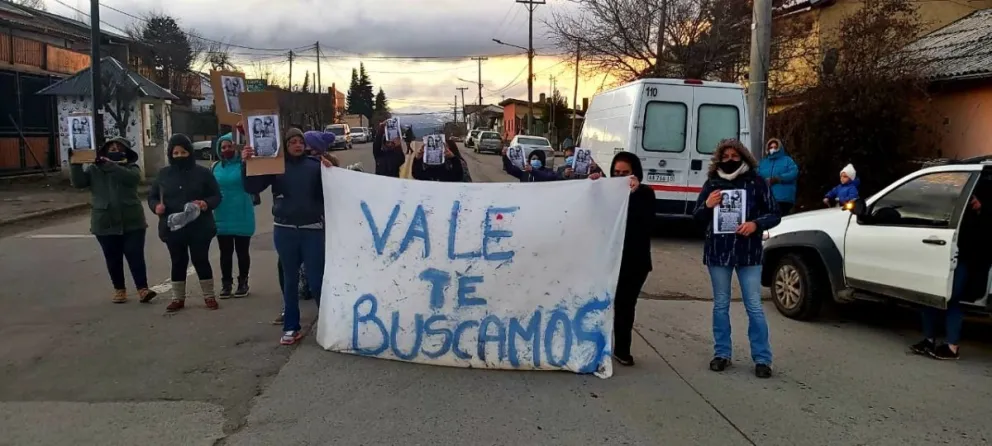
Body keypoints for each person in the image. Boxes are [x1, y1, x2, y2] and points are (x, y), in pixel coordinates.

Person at [693, 139, 781, 379]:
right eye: (725, 156)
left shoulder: (757, 182)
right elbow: (696, 218)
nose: (730, 159)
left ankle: (763, 358)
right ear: (719, 159)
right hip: (718, 252)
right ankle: (722, 353)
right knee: (721, 305)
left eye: (735, 155)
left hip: (748, 253)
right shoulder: (712, 183)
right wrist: (707, 205)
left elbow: (774, 214)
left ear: (743, 156)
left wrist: (755, 224)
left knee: (754, 306)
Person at [243, 128, 335, 345]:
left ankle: (330, 324)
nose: (297, 145)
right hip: (284, 230)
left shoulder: (315, 166)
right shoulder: (276, 167)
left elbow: (333, 191)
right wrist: (246, 163)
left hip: (312, 230)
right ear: (285, 145)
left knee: (317, 280)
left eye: (300, 141)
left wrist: (332, 170)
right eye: (292, 142)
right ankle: (291, 327)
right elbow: (251, 186)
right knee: (290, 280)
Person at [69, 137, 155, 304]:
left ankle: (143, 289)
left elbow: (133, 179)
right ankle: (119, 290)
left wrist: (112, 166)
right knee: (112, 257)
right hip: (104, 221)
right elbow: (79, 183)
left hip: (132, 221)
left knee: (135, 255)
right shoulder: (94, 169)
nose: (115, 151)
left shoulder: (132, 168)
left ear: (127, 153)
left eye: (119, 149)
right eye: (111, 149)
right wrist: (75, 163)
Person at [911, 182, 992, 360]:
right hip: (942, 251)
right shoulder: (963, 185)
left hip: (965, 258)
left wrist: (981, 209)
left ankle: (952, 346)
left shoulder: (982, 185)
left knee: (952, 298)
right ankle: (929, 340)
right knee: (930, 296)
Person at [589, 152, 655, 366]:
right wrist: (593, 187)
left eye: (625, 173)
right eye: (616, 173)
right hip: (608, 258)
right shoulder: (607, 193)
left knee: (625, 305)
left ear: (635, 173)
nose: (620, 177)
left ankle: (622, 349)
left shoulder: (646, 194)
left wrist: (633, 194)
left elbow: (646, 223)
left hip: (634, 261)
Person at [149, 134, 223, 313]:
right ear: (170, 154)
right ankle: (177, 298)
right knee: (178, 261)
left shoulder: (203, 173)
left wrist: (206, 203)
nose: (180, 155)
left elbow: (216, 195)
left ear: (190, 152)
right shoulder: (164, 174)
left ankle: (209, 296)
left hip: (200, 226)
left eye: (183, 152)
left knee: (200, 259)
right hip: (173, 227)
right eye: (176, 153)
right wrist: (156, 207)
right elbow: (152, 196)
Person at [211, 133, 255, 299]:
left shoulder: (245, 165)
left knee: (242, 251)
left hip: (242, 212)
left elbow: (253, 181)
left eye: (230, 146)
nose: (226, 149)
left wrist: (246, 161)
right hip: (222, 213)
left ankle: (243, 282)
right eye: (223, 147)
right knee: (225, 252)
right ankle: (226, 284)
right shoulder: (215, 167)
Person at [756, 138, 799, 215]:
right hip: (767, 198)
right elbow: (757, 176)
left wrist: (778, 179)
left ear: (779, 148)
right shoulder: (763, 163)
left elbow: (793, 173)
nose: (773, 149)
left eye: (775, 147)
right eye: (771, 147)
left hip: (783, 198)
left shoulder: (787, 160)